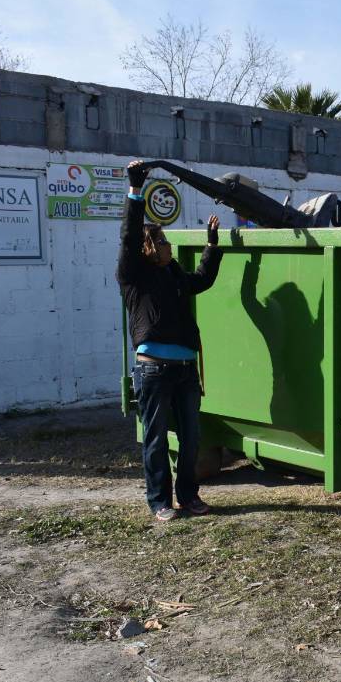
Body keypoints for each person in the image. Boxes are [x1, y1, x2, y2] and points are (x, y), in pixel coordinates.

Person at [118, 159, 223, 521]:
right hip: (154, 372)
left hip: (184, 369)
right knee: (157, 439)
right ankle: (159, 502)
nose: (168, 245)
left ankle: (188, 496)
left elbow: (200, 281)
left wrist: (212, 247)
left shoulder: (174, 275)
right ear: (148, 246)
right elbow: (129, 235)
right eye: (162, 240)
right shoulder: (134, 277)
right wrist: (136, 190)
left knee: (191, 438)